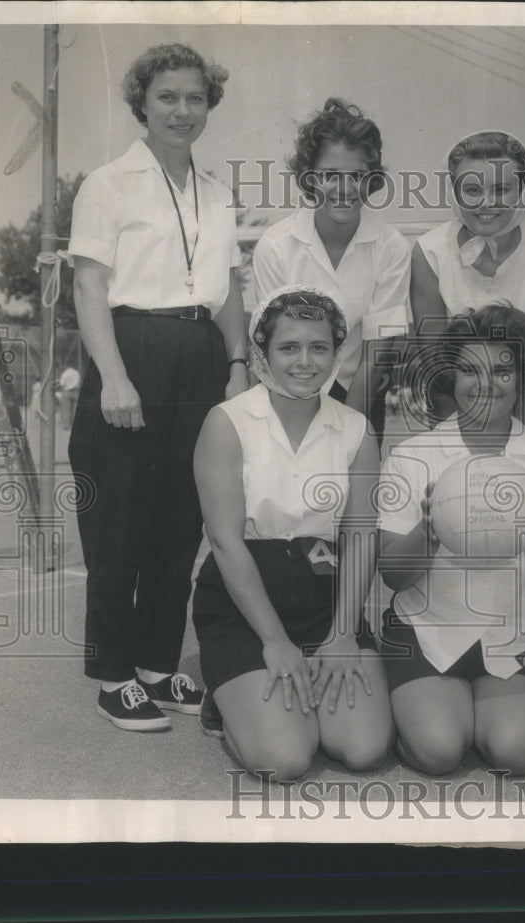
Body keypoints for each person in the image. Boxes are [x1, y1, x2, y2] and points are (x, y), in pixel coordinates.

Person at [67, 43, 248, 732]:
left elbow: (228, 288)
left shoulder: (219, 193)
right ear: (141, 102)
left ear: (209, 107)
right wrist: (113, 374)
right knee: (118, 522)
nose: (182, 110)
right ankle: (113, 671)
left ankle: (155, 662)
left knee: (181, 521)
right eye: (167, 96)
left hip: (200, 352)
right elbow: (90, 286)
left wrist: (236, 365)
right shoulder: (108, 183)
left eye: (194, 98)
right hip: (131, 345)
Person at [378, 303, 525, 776]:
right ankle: (426, 710)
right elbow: (392, 575)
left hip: (522, 637)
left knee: (516, 754)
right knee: (438, 751)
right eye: (470, 370)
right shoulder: (413, 457)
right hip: (427, 629)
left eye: (502, 370)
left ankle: (484, 710)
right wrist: (430, 530)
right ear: (451, 379)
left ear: (521, 379)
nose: (486, 384)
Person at [192, 286, 393, 779]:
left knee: (364, 749)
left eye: (318, 347)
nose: (305, 361)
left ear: (336, 353)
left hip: (325, 597)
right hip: (246, 601)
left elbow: (362, 536)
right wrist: (275, 640)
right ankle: (227, 698)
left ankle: (294, 695)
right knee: (286, 758)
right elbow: (224, 541)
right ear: (262, 351)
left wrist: (343, 633)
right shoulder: (227, 422)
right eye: (288, 347)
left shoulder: (356, 429)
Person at [252, 98, 410, 443]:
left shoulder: (393, 247)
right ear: (309, 177)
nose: (344, 189)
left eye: (357, 176)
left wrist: (346, 427)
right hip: (287, 397)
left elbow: (379, 348)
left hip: (362, 397)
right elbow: (274, 347)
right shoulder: (276, 245)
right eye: (330, 176)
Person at [410, 131, 525, 438]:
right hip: (453, 392)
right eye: (472, 189)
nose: (486, 203)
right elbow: (435, 365)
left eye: (501, 189)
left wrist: (519, 445)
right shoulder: (429, 251)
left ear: (523, 190)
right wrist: (457, 444)